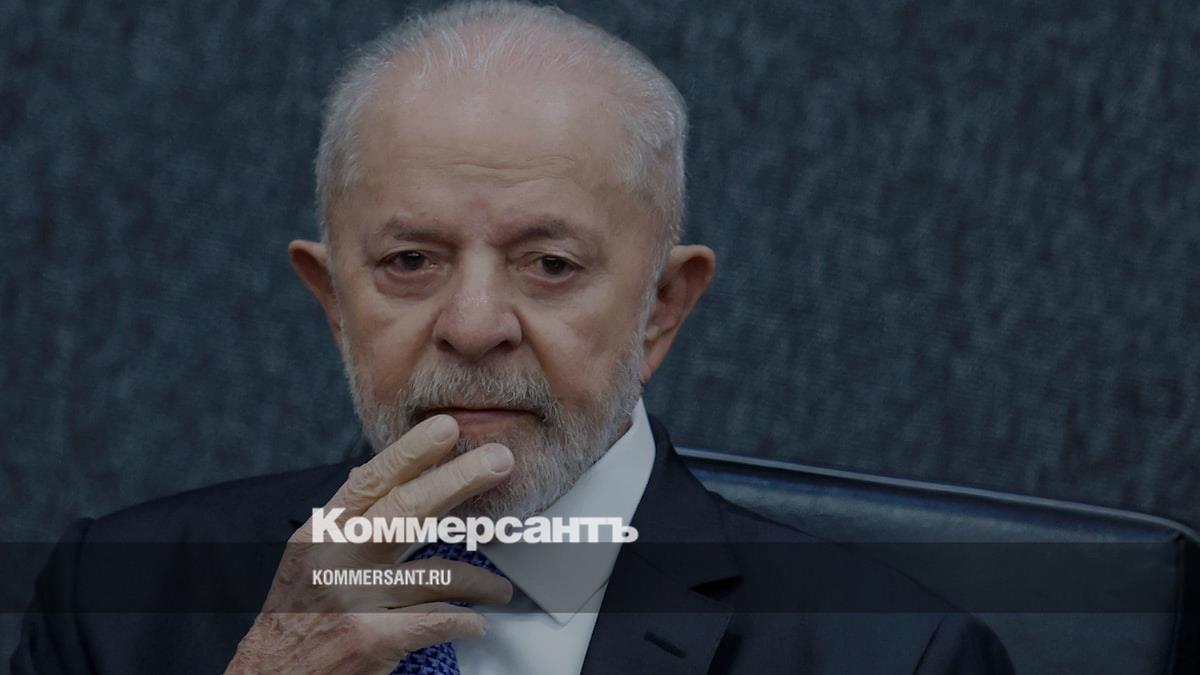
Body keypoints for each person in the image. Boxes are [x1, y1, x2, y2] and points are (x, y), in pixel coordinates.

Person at [13, 2, 1013, 673]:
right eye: (411, 260)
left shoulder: (899, 655)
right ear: (332, 299)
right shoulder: (113, 602)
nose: (475, 326)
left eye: (550, 265)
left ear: (662, 307)